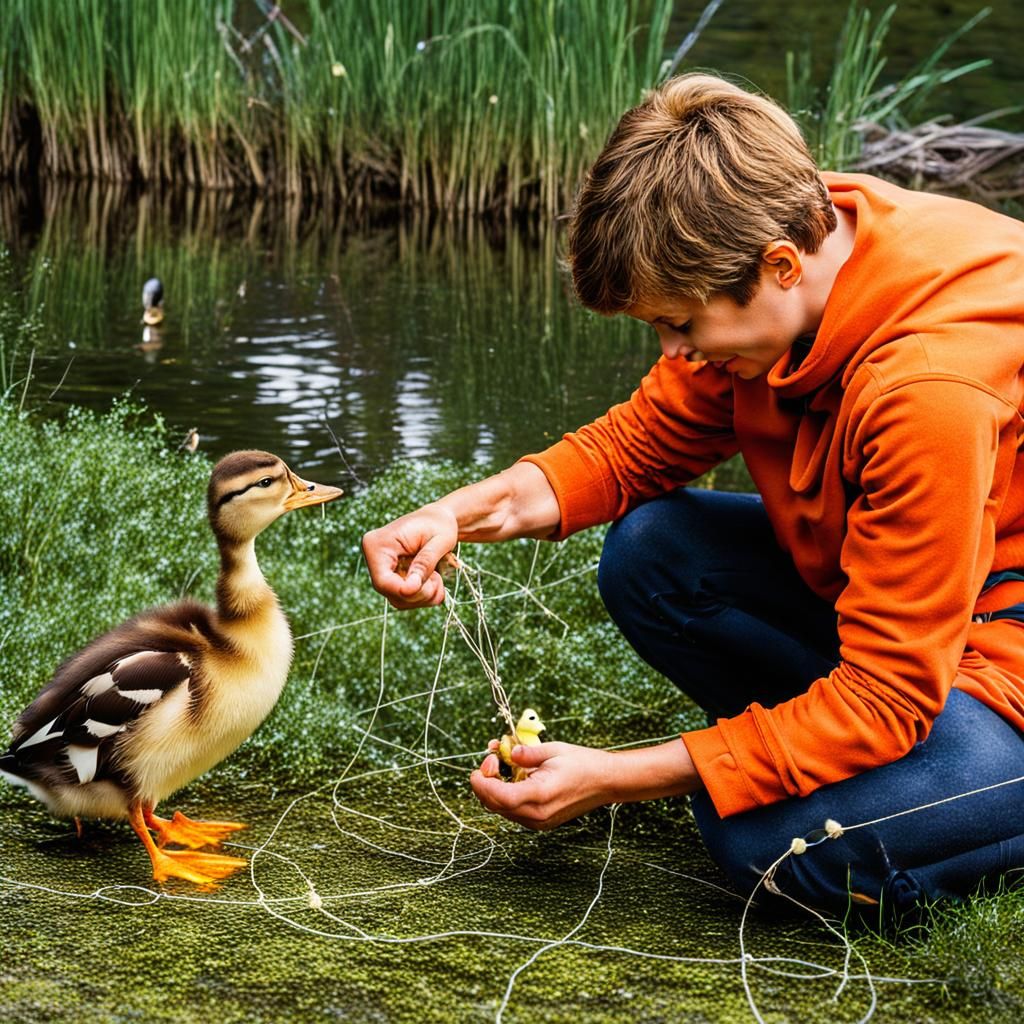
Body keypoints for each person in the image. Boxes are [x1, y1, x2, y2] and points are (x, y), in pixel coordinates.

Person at [361, 73, 1024, 919]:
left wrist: (620, 776)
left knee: (761, 845)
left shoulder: (929, 387)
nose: (677, 352)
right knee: (654, 552)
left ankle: (959, 787)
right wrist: (452, 514)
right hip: (927, 626)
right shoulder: (795, 246)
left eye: (683, 326)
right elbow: (634, 448)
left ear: (779, 268)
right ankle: (878, 770)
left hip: (1001, 644)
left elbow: (888, 692)